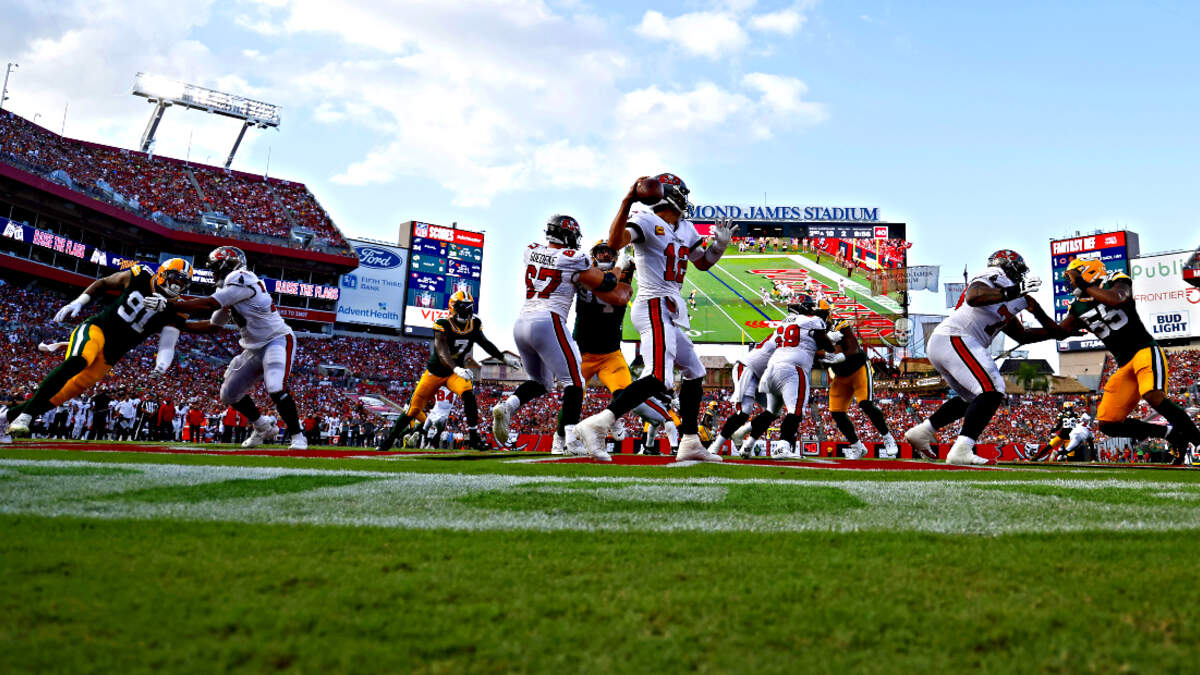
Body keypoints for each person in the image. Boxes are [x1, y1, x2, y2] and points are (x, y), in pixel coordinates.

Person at [575, 174, 738, 462]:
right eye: (683, 193)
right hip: (652, 304)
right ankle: (597, 423)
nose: (686, 198)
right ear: (671, 194)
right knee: (660, 377)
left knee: (695, 371)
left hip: (669, 309)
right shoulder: (646, 219)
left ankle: (689, 441)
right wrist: (627, 200)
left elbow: (702, 263)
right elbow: (614, 243)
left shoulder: (686, 228)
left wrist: (719, 246)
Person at [1, 259, 199, 443]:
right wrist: (79, 301)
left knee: (62, 395)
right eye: (174, 279)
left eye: (182, 284)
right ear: (164, 274)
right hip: (98, 329)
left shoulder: (178, 308)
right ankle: (25, 417)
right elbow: (104, 283)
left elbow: (167, 344)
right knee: (80, 360)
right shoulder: (141, 275)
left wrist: (161, 365)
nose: (176, 286)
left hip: (113, 353)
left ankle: (4, 418)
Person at [904, 250, 1060, 465]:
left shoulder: (1020, 299)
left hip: (950, 342)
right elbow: (974, 296)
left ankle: (922, 431)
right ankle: (962, 449)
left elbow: (1024, 335)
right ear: (1010, 267)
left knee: (972, 398)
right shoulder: (995, 275)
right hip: (955, 337)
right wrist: (1015, 291)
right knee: (992, 389)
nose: (1021, 276)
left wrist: (1073, 326)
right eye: (1019, 271)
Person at [491, 215, 629, 458]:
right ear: (569, 236)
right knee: (575, 382)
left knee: (542, 383)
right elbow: (607, 283)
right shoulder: (573, 258)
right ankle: (572, 441)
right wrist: (620, 268)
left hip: (521, 322)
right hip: (548, 320)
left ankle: (508, 406)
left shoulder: (531, 250)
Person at [1052, 257, 1200, 462]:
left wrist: (1084, 285)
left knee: (1151, 394)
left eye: (1073, 277)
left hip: (1144, 350)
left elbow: (1118, 298)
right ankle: (1171, 434)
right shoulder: (1077, 307)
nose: (1071, 283)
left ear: (1087, 272)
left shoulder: (1116, 281)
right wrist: (1031, 312)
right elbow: (1058, 332)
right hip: (1124, 364)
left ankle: (1198, 440)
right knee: (1107, 423)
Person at [165, 246, 308, 450]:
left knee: (275, 386)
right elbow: (213, 326)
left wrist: (170, 306)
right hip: (253, 348)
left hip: (277, 339)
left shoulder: (241, 277)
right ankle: (262, 427)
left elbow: (209, 304)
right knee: (229, 394)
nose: (213, 273)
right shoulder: (227, 291)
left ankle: (297, 436)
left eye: (215, 268)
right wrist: (178, 325)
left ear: (226, 265)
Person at [377, 288, 510, 451]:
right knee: (413, 409)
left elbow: (485, 343)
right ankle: (388, 441)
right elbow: (441, 352)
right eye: (462, 306)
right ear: (453, 307)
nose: (466, 310)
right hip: (436, 372)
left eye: (468, 307)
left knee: (468, 394)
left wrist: (502, 358)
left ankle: (474, 438)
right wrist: (456, 368)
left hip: (454, 374)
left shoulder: (475, 324)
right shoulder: (442, 324)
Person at [736, 297, 835, 459]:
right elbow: (825, 345)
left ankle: (747, 443)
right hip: (792, 369)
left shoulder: (786, 322)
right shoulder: (813, 321)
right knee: (795, 410)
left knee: (771, 413)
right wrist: (833, 344)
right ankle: (782, 447)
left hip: (773, 368)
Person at [820, 302, 899, 459]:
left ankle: (887, 437)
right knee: (836, 412)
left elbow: (854, 347)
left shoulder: (839, 324)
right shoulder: (813, 331)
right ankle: (857, 446)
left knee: (865, 403)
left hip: (858, 369)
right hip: (840, 375)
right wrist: (825, 348)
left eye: (821, 314)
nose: (819, 317)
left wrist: (838, 356)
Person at [707, 332, 776, 455]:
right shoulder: (781, 339)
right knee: (744, 411)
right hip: (748, 370)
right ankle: (715, 446)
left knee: (773, 411)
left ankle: (741, 432)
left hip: (762, 377)